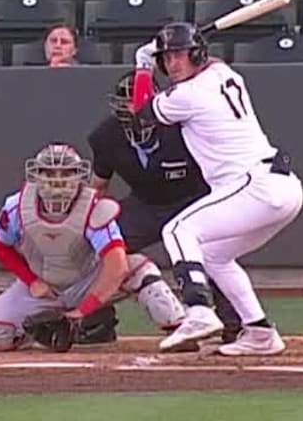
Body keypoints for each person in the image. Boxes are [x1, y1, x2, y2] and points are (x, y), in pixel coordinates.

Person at [126, 22, 303, 356]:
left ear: (197, 54)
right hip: (279, 187)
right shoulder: (225, 73)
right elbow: (210, 65)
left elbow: (141, 113)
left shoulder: (189, 95)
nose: (174, 64)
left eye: (180, 55)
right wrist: (165, 52)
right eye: (168, 57)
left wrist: (142, 67)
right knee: (214, 256)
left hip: (254, 185)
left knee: (177, 229)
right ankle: (260, 332)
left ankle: (198, 311)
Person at [0, 142, 186, 352]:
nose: (58, 181)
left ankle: (178, 327)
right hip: (44, 285)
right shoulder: (16, 206)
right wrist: (32, 281)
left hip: (88, 280)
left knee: (139, 270)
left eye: (66, 173)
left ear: (78, 176)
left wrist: (85, 309)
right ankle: (56, 330)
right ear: (36, 176)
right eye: (50, 174)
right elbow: (0, 247)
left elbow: (116, 265)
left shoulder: (94, 208)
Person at [78, 70, 239, 345]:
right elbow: (98, 185)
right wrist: (83, 222)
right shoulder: (106, 136)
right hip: (146, 204)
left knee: (214, 252)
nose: (134, 108)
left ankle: (233, 324)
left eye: (140, 100)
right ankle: (96, 321)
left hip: (193, 202)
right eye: (127, 102)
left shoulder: (185, 128)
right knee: (95, 246)